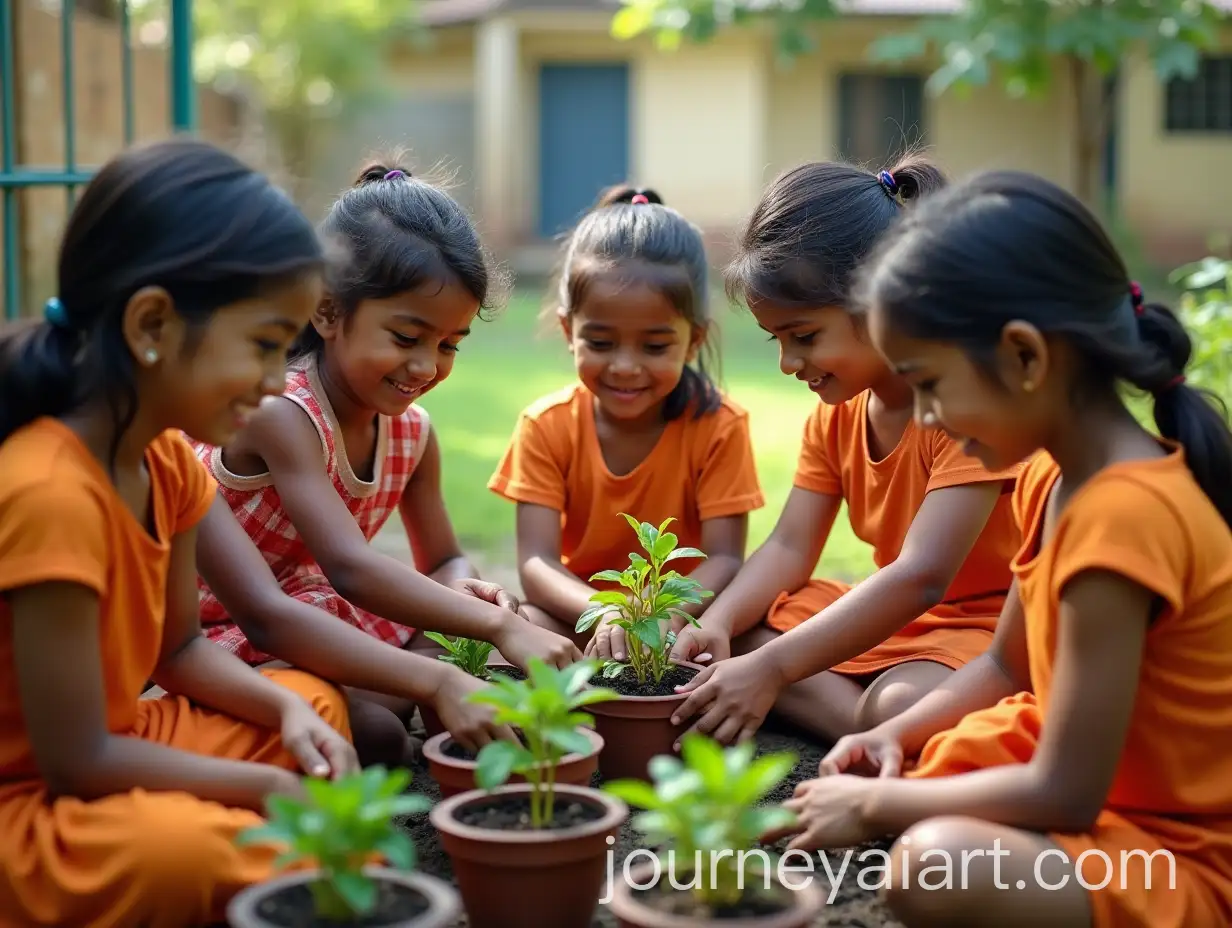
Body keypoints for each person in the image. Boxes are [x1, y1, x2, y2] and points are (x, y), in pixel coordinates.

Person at [771, 170, 1232, 928]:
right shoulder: (1052, 477)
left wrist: (881, 803)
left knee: (933, 862)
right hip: (1105, 795)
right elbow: (1005, 666)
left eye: (929, 384)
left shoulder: (1125, 516)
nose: (925, 416)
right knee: (941, 757)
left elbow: (1066, 792)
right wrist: (885, 738)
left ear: (1024, 357)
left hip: (1172, 851)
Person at [0, 138, 360, 927]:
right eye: (266, 346)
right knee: (184, 854)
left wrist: (281, 714)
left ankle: (266, 849)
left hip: (120, 741)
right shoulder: (48, 492)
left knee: (313, 708)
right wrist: (262, 787)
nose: (278, 381)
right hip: (32, 799)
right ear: (153, 322)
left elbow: (180, 651)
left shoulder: (165, 460)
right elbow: (73, 759)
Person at [191, 159, 581, 763]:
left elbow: (443, 558)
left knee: (519, 637)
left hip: (318, 614)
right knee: (378, 734)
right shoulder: (282, 413)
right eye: (406, 337)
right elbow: (350, 568)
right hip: (227, 627)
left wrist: (470, 594)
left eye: (449, 344)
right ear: (326, 313)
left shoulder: (412, 434)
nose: (426, 366)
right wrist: (500, 629)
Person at [668, 157, 1025, 746]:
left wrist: (777, 668)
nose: (788, 363)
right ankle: (869, 725)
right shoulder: (836, 417)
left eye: (804, 337)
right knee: (750, 632)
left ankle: (871, 725)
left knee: (896, 703)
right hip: (895, 621)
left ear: (883, 303)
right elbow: (788, 546)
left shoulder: (962, 408)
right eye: (777, 340)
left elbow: (922, 576)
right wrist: (718, 621)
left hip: (982, 629)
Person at [488, 185, 764, 658]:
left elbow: (722, 558)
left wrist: (655, 619)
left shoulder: (720, 426)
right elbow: (536, 562)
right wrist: (608, 612)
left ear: (694, 340)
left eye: (655, 347)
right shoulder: (546, 426)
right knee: (522, 625)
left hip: (678, 625)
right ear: (568, 331)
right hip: (583, 617)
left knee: (754, 638)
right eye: (600, 343)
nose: (626, 367)